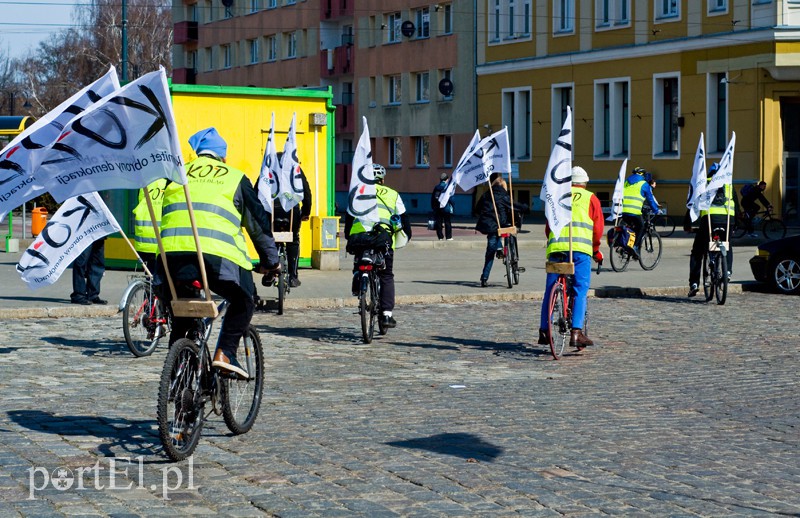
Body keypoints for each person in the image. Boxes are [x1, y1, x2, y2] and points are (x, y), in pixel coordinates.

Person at [158, 127, 280, 378]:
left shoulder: (176, 176)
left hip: (170, 261)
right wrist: (271, 261)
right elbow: (258, 225)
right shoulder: (234, 178)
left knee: (182, 316)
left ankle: (178, 379)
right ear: (223, 157)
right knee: (244, 300)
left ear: (199, 154)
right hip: (217, 259)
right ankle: (225, 353)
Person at [538, 166, 604, 348]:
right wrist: (596, 250)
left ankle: (544, 331)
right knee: (580, 290)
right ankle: (576, 333)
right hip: (581, 250)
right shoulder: (591, 198)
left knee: (549, 291)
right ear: (584, 183)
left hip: (556, 249)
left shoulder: (557, 196)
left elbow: (548, 227)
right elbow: (598, 230)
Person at [345, 163, 412, 328]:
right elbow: (404, 220)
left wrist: (349, 236)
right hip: (383, 238)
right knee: (386, 275)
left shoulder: (357, 193)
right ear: (382, 180)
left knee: (360, 260)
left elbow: (349, 219)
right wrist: (406, 236)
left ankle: (358, 277)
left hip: (360, 236)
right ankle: (387, 315)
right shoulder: (393, 194)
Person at [686, 162, 737, 297]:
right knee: (727, 244)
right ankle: (727, 272)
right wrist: (736, 224)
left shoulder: (703, 184)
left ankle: (694, 283)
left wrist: (688, 224)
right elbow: (736, 205)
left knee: (697, 252)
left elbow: (692, 205)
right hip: (728, 220)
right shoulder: (728, 184)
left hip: (709, 221)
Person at [273, 153, 312, 287]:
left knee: (268, 238)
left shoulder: (269, 169)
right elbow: (306, 193)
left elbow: (257, 191)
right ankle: (293, 276)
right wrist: (305, 213)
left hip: (271, 211)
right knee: (293, 240)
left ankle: (268, 271)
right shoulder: (295, 171)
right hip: (292, 211)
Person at [475, 173, 513, 287]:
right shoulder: (505, 195)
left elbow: (477, 209)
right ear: (504, 186)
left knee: (490, 253)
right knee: (501, 233)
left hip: (490, 226)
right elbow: (512, 207)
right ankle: (501, 248)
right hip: (502, 224)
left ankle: (484, 277)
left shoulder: (486, 195)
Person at [621, 167, 661, 259]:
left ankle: (626, 246)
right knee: (642, 227)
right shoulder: (644, 184)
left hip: (623, 211)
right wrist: (656, 210)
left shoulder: (626, 182)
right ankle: (635, 247)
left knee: (632, 228)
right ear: (642, 175)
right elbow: (650, 199)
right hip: (634, 212)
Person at [132, 178, 167, 275]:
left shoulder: (144, 183)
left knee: (150, 277)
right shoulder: (171, 183)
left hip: (143, 242)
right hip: (162, 243)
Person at [70, 237, 107, 305]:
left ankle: (92, 295)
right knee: (81, 263)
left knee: (97, 263)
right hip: (85, 235)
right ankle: (79, 295)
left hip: (100, 234)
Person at [431, 173, 453, 240]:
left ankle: (440, 237)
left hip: (437, 207)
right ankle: (448, 237)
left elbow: (433, 198)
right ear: (447, 179)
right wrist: (452, 205)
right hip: (446, 207)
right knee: (447, 222)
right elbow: (451, 198)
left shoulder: (436, 187)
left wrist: (433, 207)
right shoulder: (448, 187)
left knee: (439, 222)